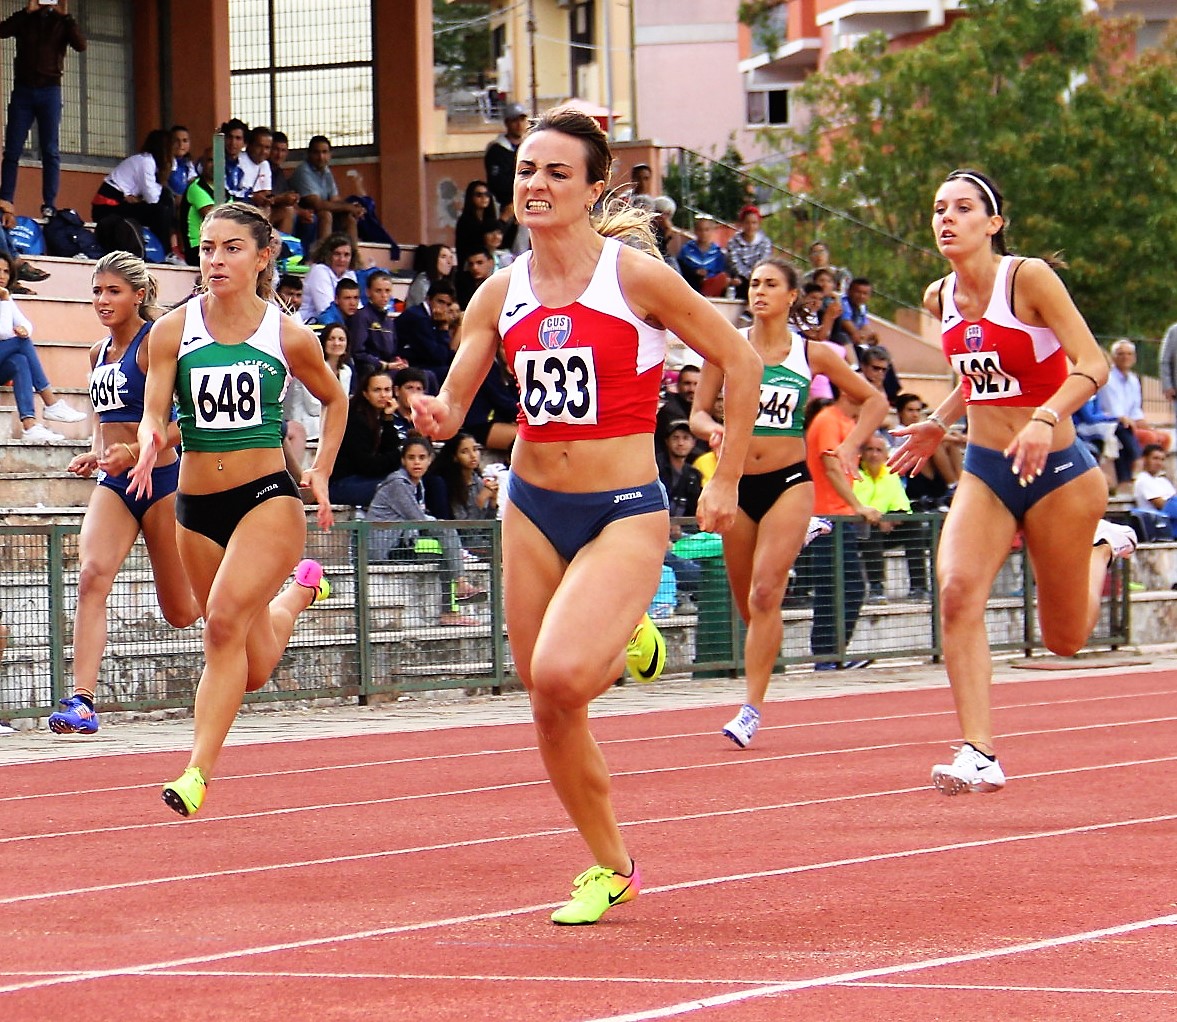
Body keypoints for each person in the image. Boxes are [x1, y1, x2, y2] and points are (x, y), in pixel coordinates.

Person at [412, 106, 761, 925]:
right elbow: (457, 402)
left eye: (556, 172)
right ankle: (612, 865)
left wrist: (725, 480)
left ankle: (627, 629)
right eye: (526, 170)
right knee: (545, 697)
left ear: (594, 188)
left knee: (566, 674)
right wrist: (436, 414)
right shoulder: (498, 292)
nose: (535, 184)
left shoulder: (634, 279)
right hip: (531, 507)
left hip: (621, 510)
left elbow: (740, 361)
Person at [888, 168, 1137, 797]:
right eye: (938, 208)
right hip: (988, 470)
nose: (947, 218)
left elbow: (1093, 364)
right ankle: (979, 753)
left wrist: (1045, 418)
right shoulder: (938, 297)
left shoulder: (1028, 278)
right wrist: (937, 423)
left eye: (962, 208)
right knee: (955, 592)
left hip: (1058, 474)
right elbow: (975, 378)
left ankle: (1102, 547)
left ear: (993, 223)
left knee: (1064, 640)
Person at [127, 202, 347, 817]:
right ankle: (301, 593)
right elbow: (153, 411)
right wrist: (148, 442)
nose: (216, 260)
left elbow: (335, 401)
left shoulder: (287, 335)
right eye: (207, 249)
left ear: (262, 256)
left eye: (231, 248)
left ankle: (196, 771)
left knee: (221, 623)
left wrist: (321, 468)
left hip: (266, 499)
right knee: (249, 667)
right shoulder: (173, 330)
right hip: (196, 506)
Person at [691, 256, 887, 746]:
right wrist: (713, 429)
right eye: (754, 283)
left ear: (791, 296)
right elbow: (697, 413)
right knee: (749, 605)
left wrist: (849, 445)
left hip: (789, 481)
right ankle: (798, 539)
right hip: (737, 484)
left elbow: (875, 401)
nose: (759, 291)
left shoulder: (812, 353)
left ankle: (750, 708)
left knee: (765, 594)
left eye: (771, 284)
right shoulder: (726, 346)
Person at [47, 251, 201, 736]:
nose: (102, 300)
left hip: (161, 482)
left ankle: (256, 590)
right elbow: (104, 421)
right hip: (115, 484)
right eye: (97, 291)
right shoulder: (97, 353)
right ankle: (82, 701)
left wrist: (135, 450)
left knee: (182, 612)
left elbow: (189, 421)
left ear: (139, 294)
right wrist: (96, 455)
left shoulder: (154, 343)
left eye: (113, 291)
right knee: (91, 576)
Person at [365, 434, 481, 627]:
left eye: (421, 457)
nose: (417, 463)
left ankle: (450, 610)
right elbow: (418, 519)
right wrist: (441, 525)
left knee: (445, 551)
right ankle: (459, 587)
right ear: (403, 460)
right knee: (445, 531)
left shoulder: (418, 484)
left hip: (403, 541)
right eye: (411, 458)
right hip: (386, 548)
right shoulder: (398, 484)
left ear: (430, 459)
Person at [0, 0, 86, 218]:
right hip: (23, 90)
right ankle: (6, 199)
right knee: (12, 149)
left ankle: (49, 204)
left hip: (50, 91)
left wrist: (66, 17)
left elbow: (81, 45)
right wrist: (26, 11)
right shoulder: (26, 19)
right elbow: (2, 31)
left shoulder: (61, 22)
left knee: (50, 150)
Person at [0, 249, 88, 440]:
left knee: (20, 360)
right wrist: (5, 300)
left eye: (6, 271)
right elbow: (4, 332)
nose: (2, 276)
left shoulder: (6, 298)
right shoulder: (5, 298)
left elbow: (26, 325)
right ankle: (51, 403)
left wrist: (23, 328)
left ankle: (30, 425)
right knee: (21, 343)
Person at [854, 435, 931, 602]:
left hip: (886, 527)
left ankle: (919, 587)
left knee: (914, 526)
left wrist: (888, 518)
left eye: (878, 450)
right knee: (870, 528)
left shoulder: (891, 475)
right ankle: (876, 587)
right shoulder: (854, 475)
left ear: (885, 455)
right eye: (869, 450)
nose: (874, 455)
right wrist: (879, 518)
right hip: (858, 530)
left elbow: (902, 506)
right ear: (861, 454)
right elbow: (856, 506)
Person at [91, 129, 177, 262]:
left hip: (120, 204)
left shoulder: (148, 162)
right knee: (161, 210)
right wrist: (143, 197)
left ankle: (169, 248)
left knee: (166, 199)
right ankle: (167, 252)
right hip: (107, 209)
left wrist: (139, 198)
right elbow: (152, 198)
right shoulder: (146, 162)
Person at [1098, 339, 1170, 494]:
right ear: (1114, 357)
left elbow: (1135, 409)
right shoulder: (1109, 379)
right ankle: (1139, 471)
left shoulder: (1133, 380)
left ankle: (1154, 474)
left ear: (1134, 358)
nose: (1126, 357)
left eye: (1129, 354)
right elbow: (1114, 410)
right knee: (1144, 436)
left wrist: (1142, 422)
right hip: (1113, 423)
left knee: (1164, 437)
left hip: (1130, 423)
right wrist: (1132, 421)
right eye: (1121, 354)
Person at [328, 368, 403, 508]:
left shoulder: (380, 416)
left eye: (387, 390)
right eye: (377, 390)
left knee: (405, 482)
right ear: (365, 394)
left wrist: (388, 420)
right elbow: (367, 465)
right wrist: (399, 455)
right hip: (343, 484)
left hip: (363, 479)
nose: (383, 395)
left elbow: (388, 450)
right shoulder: (356, 420)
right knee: (398, 487)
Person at [284, 322, 354, 461]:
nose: (336, 343)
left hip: (327, 427)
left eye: (341, 339)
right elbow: (313, 406)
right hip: (305, 428)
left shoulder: (346, 371)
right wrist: (335, 408)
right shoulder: (311, 367)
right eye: (331, 339)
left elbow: (342, 405)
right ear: (323, 342)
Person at [289, 135, 364, 246]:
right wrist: (348, 207)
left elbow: (335, 199)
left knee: (349, 217)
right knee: (326, 215)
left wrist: (352, 207)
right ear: (309, 154)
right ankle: (324, 255)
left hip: (321, 212)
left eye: (324, 152)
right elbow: (316, 204)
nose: (321, 157)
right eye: (316, 152)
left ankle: (353, 254)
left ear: (330, 154)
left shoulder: (326, 170)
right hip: (304, 215)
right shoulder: (303, 170)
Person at [396, 278, 459, 384]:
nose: (443, 308)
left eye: (448, 305)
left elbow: (445, 356)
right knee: (451, 372)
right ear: (428, 299)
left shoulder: (431, 317)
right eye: (440, 302)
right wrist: (443, 328)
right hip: (407, 365)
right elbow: (439, 358)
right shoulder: (419, 318)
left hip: (422, 363)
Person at [484, 102, 528, 248]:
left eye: (522, 119)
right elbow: (498, 183)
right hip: (505, 208)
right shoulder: (496, 150)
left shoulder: (529, 148)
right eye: (514, 120)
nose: (519, 124)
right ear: (507, 123)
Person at [430, 431, 499, 521]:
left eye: (475, 449)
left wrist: (493, 503)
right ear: (455, 457)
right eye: (464, 452)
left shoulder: (478, 480)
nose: (473, 455)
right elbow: (464, 527)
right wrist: (480, 501)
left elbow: (489, 524)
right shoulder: (448, 484)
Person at [299, 232, 358, 322]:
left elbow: (358, 307)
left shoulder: (350, 274)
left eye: (346, 255)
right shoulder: (319, 271)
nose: (342, 259)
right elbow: (326, 310)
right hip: (310, 324)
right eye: (337, 254)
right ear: (328, 255)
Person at [725, 206, 772, 301]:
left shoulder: (765, 242)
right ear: (742, 223)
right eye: (747, 222)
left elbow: (763, 261)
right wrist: (748, 276)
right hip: (741, 280)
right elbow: (735, 264)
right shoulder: (733, 242)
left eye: (754, 223)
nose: (750, 226)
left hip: (758, 277)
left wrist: (754, 275)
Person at [677, 214, 729, 297]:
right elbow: (680, 270)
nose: (703, 233)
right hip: (691, 286)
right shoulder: (686, 250)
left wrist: (707, 275)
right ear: (695, 231)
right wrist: (695, 272)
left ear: (712, 231)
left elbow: (719, 272)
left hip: (711, 290)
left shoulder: (717, 253)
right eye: (700, 230)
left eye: (706, 230)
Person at [1132, 443, 1177, 536]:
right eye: (1155, 458)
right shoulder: (1143, 479)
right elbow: (1162, 505)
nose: (1159, 463)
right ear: (1145, 459)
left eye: (1162, 459)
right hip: (1159, 524)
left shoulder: (1163, 480)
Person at [454, 180, 499, 268]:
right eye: (479, 195)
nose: (484, 198)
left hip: (491, 264)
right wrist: (503, 220)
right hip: (471, 266)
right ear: (471, 197)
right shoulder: (465, 221)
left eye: (487, 194)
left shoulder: (490, 219)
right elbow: (477, 240)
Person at [405, 243, 456, 309]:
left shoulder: (446, 283)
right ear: (433, 259)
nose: (449, 262)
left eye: (451, 257)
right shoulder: (422, 282)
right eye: (443, 257)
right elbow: (427, 309)